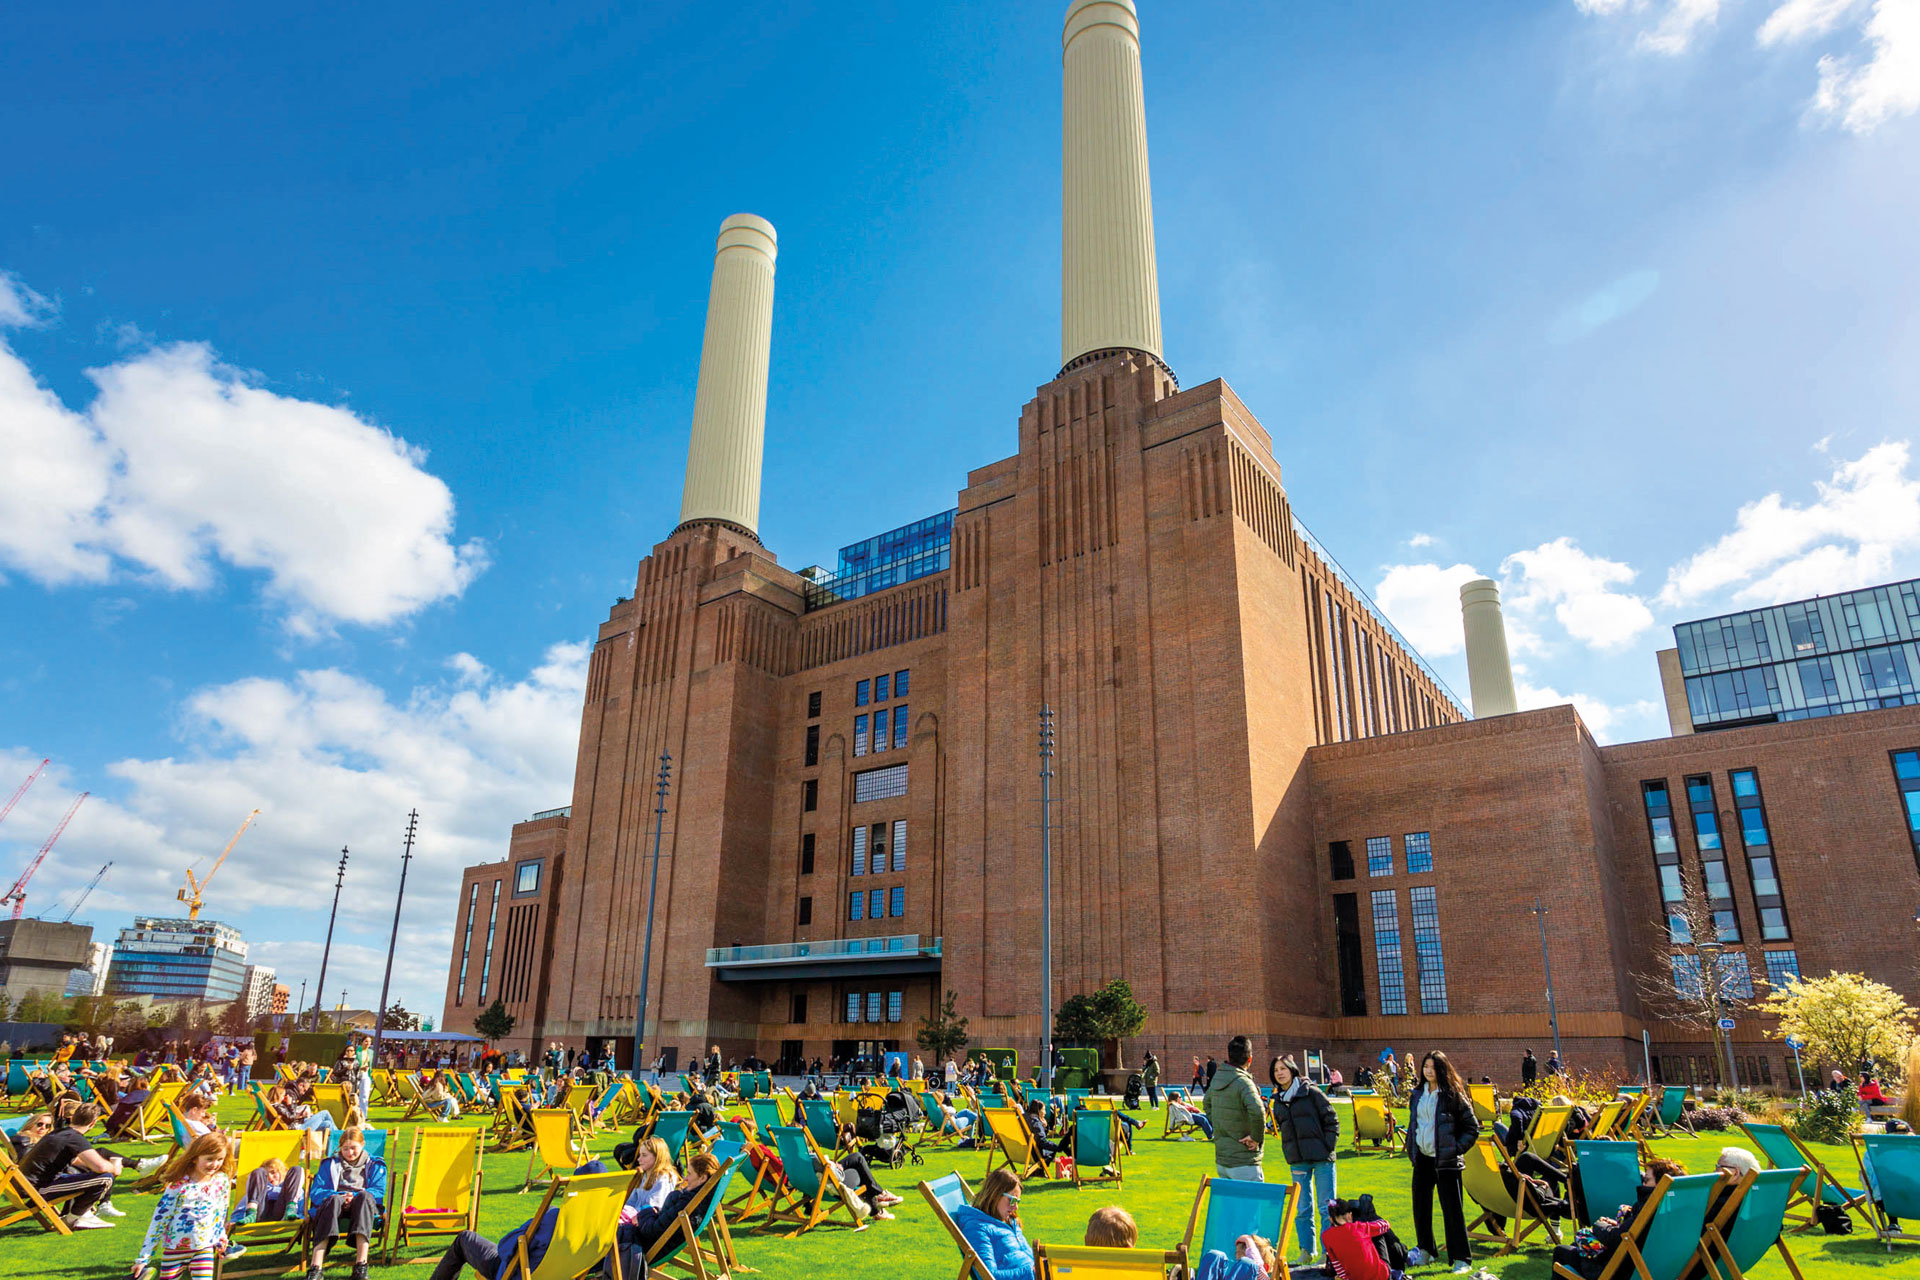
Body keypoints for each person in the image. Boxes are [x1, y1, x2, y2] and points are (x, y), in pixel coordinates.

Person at [1404, 1050, 1480, 1274]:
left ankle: (1461, 1259)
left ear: (1442, 1069)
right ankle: (1426, 1251)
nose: (1428, 1071)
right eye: (1425, 1066)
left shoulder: (1452, 1095)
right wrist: (1412, 1147)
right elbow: (1414, 1124)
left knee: (1452, 1211)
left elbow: (1472, 1127)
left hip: (1446, 1162)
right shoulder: (1417, 1094)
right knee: (1421, 1208)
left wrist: (1455, 1149)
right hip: (1422, 1160)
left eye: (1433, 1067)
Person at [1553, 1158, 1685, 1279]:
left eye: (1646, 1180)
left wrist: (1600, 1225)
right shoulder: (1678, 1209)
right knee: (1576, 1247)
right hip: (1658, 1271)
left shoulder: (1651, 1207)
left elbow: (1617, 1238)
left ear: (1660, 1185)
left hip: (1623, 1271)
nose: (1642, 1183)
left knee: (1562, 1252)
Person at [132, 1131, 233, 1280]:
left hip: (203, 1248)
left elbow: (220, 1211)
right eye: (209, 1159)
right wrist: (143, 1259)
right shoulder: (179, 1185)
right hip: (175, 1249)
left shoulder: (221, 1180)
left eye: (220, 1159)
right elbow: (159, 1220)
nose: (215, 1164)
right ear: (194, 1158)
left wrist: (221, 1237)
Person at [1270, 1054, 1339, 1266]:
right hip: (1298, 1160)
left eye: (1283, 1068)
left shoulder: (1312, 1092)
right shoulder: (1278, 1101)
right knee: (1301, 1208)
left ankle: (1329, 1252)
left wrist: (1327, 1146)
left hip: (1322, 1158)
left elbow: (1332, 1119)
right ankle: (1306, 1251)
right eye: (1275, 1071)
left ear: (1292, 1069)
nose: (1280, 1073)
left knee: (1327, 1207)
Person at [20, 1101, 124, 1229]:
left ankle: (83, 1215)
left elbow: (78, 1162)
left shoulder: (59, 1133)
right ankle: (73, 1218)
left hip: (27, 1185)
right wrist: (115, 1168)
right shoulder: (74, 1138)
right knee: (105, 1178)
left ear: (73, 1118)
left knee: (84, 1174)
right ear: (92, 1124)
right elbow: (101, 1168)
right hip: (36, 1190)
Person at [305, 1127, 387, 1280]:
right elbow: (316, 1192)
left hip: (363, 1206)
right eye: (345, 1149)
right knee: (334, 1200)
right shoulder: (329, 1164)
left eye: (353, 1148)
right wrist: (340, 1195)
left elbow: (378, 1191)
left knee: (364, 1196)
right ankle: (316, 1267)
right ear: (340, 1148)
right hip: (335, 1205)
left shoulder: (375, 1164)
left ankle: (361, 1266)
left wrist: (354, 1196)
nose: (350, 1153)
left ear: (362, 1145)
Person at [952, 1168, 1034, 1280]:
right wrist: (1032, 1272)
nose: (1016, 1207)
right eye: (1012, 1200)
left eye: (1017, 1202)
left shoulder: (1009, 1221)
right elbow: (989, 1276)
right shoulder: (977, 1229)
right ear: (995, 1195)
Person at [1204, 1036, 1265, 1182]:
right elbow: (1258, 1111)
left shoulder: (1218, 1078)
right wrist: (1256, 1138)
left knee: (1232, 1204)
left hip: (1223, 1159)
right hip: (1244, 1158)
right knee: (1252, 1203)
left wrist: (1221, 1125)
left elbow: (1206, 1103)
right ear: (1249, 1059)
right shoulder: (1243, 1082)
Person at [1321, 1198, 1409, 1280]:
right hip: (1381, 1275)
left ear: (1331, 1219)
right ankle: (1398, 1267)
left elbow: (1337, 1265)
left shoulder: (1326, 1236)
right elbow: (1385, 1225)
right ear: (1349, 1215)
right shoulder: (1360, 1227)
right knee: (1378, 1234)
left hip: (1356, 1278)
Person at [236, 1154, 305, 1225]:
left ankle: (291, 1210)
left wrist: (300, 1216)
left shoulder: (291, 1187)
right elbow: (244, 1203)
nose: (270, 1177)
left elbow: (299, 1199)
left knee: (297, 1169)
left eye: (273, 1172)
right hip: (259, 1213)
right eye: (266, 1175)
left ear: (283, 1172)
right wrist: (234, 1220)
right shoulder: (259, 1187)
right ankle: (251, 1214)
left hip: (283, 1212)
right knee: (258, 1171)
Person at [1192, 1233, 1278, 1280]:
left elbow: (1257, 1264)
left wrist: (1248, 1241)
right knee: (1216, 1255)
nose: (1238, 1266)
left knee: (1248, 1264)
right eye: (1238, 1262)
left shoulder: (1263, 1277)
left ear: (1265, 1268)